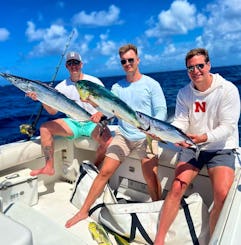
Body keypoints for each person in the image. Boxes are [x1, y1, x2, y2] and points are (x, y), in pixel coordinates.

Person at [65, 43, 167, 228]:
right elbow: (109, 109)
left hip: (147, 136)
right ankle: (83, 210)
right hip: (124, 135)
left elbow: (161, 110)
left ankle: (157, 210)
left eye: (130, 60)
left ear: (138, 60)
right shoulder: (117, 87)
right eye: (123, 61)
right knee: (104, 171)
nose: (127, 63)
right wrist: (95, 107)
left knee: (150, 174)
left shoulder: (152, 84)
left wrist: (152, 130)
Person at [154, 48, 240, 244]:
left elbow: (228, 127)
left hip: (220, 147)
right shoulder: (184, 93)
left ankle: (213, 239)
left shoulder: (227, 90)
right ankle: (159, 239)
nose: (196, 71)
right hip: (192, 146)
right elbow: (181, 122)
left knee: (223, 194)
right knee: (177, 186)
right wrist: (169, 133)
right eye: (190, 68)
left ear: (208, 65)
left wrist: (203, 137)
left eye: (200, 65)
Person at [27, 51, 112, 176]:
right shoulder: (61, 87)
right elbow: (52, 111)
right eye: (70, 63)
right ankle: (49, 167)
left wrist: (99, 113)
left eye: (76, 62)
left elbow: (108, 104)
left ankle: (94, 166)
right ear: (66, 66)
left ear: (81, 64)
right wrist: (40, 97)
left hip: (92, 122)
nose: (73, 66)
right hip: (74, 123)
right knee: (45, 128)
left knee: (108, 142)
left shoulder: (94, 81)